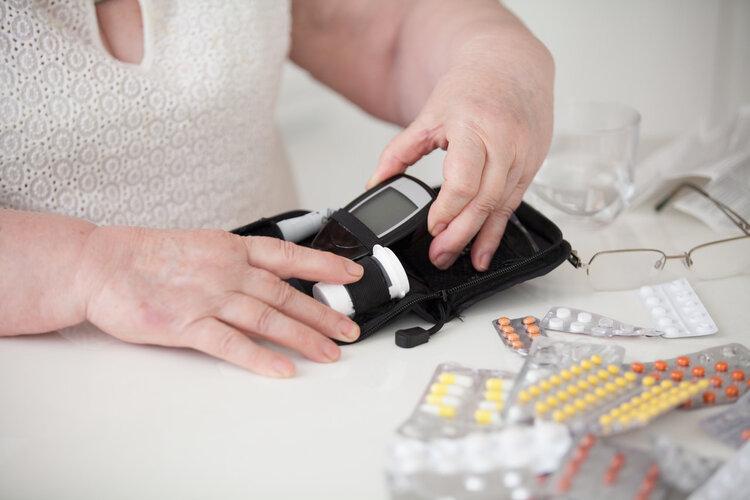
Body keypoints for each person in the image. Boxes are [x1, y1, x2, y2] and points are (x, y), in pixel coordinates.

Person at [0, 0, 554, 376]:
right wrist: (92, 265)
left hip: (300, 351)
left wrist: (498, 69)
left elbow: (391, 32)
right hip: (50, 388)